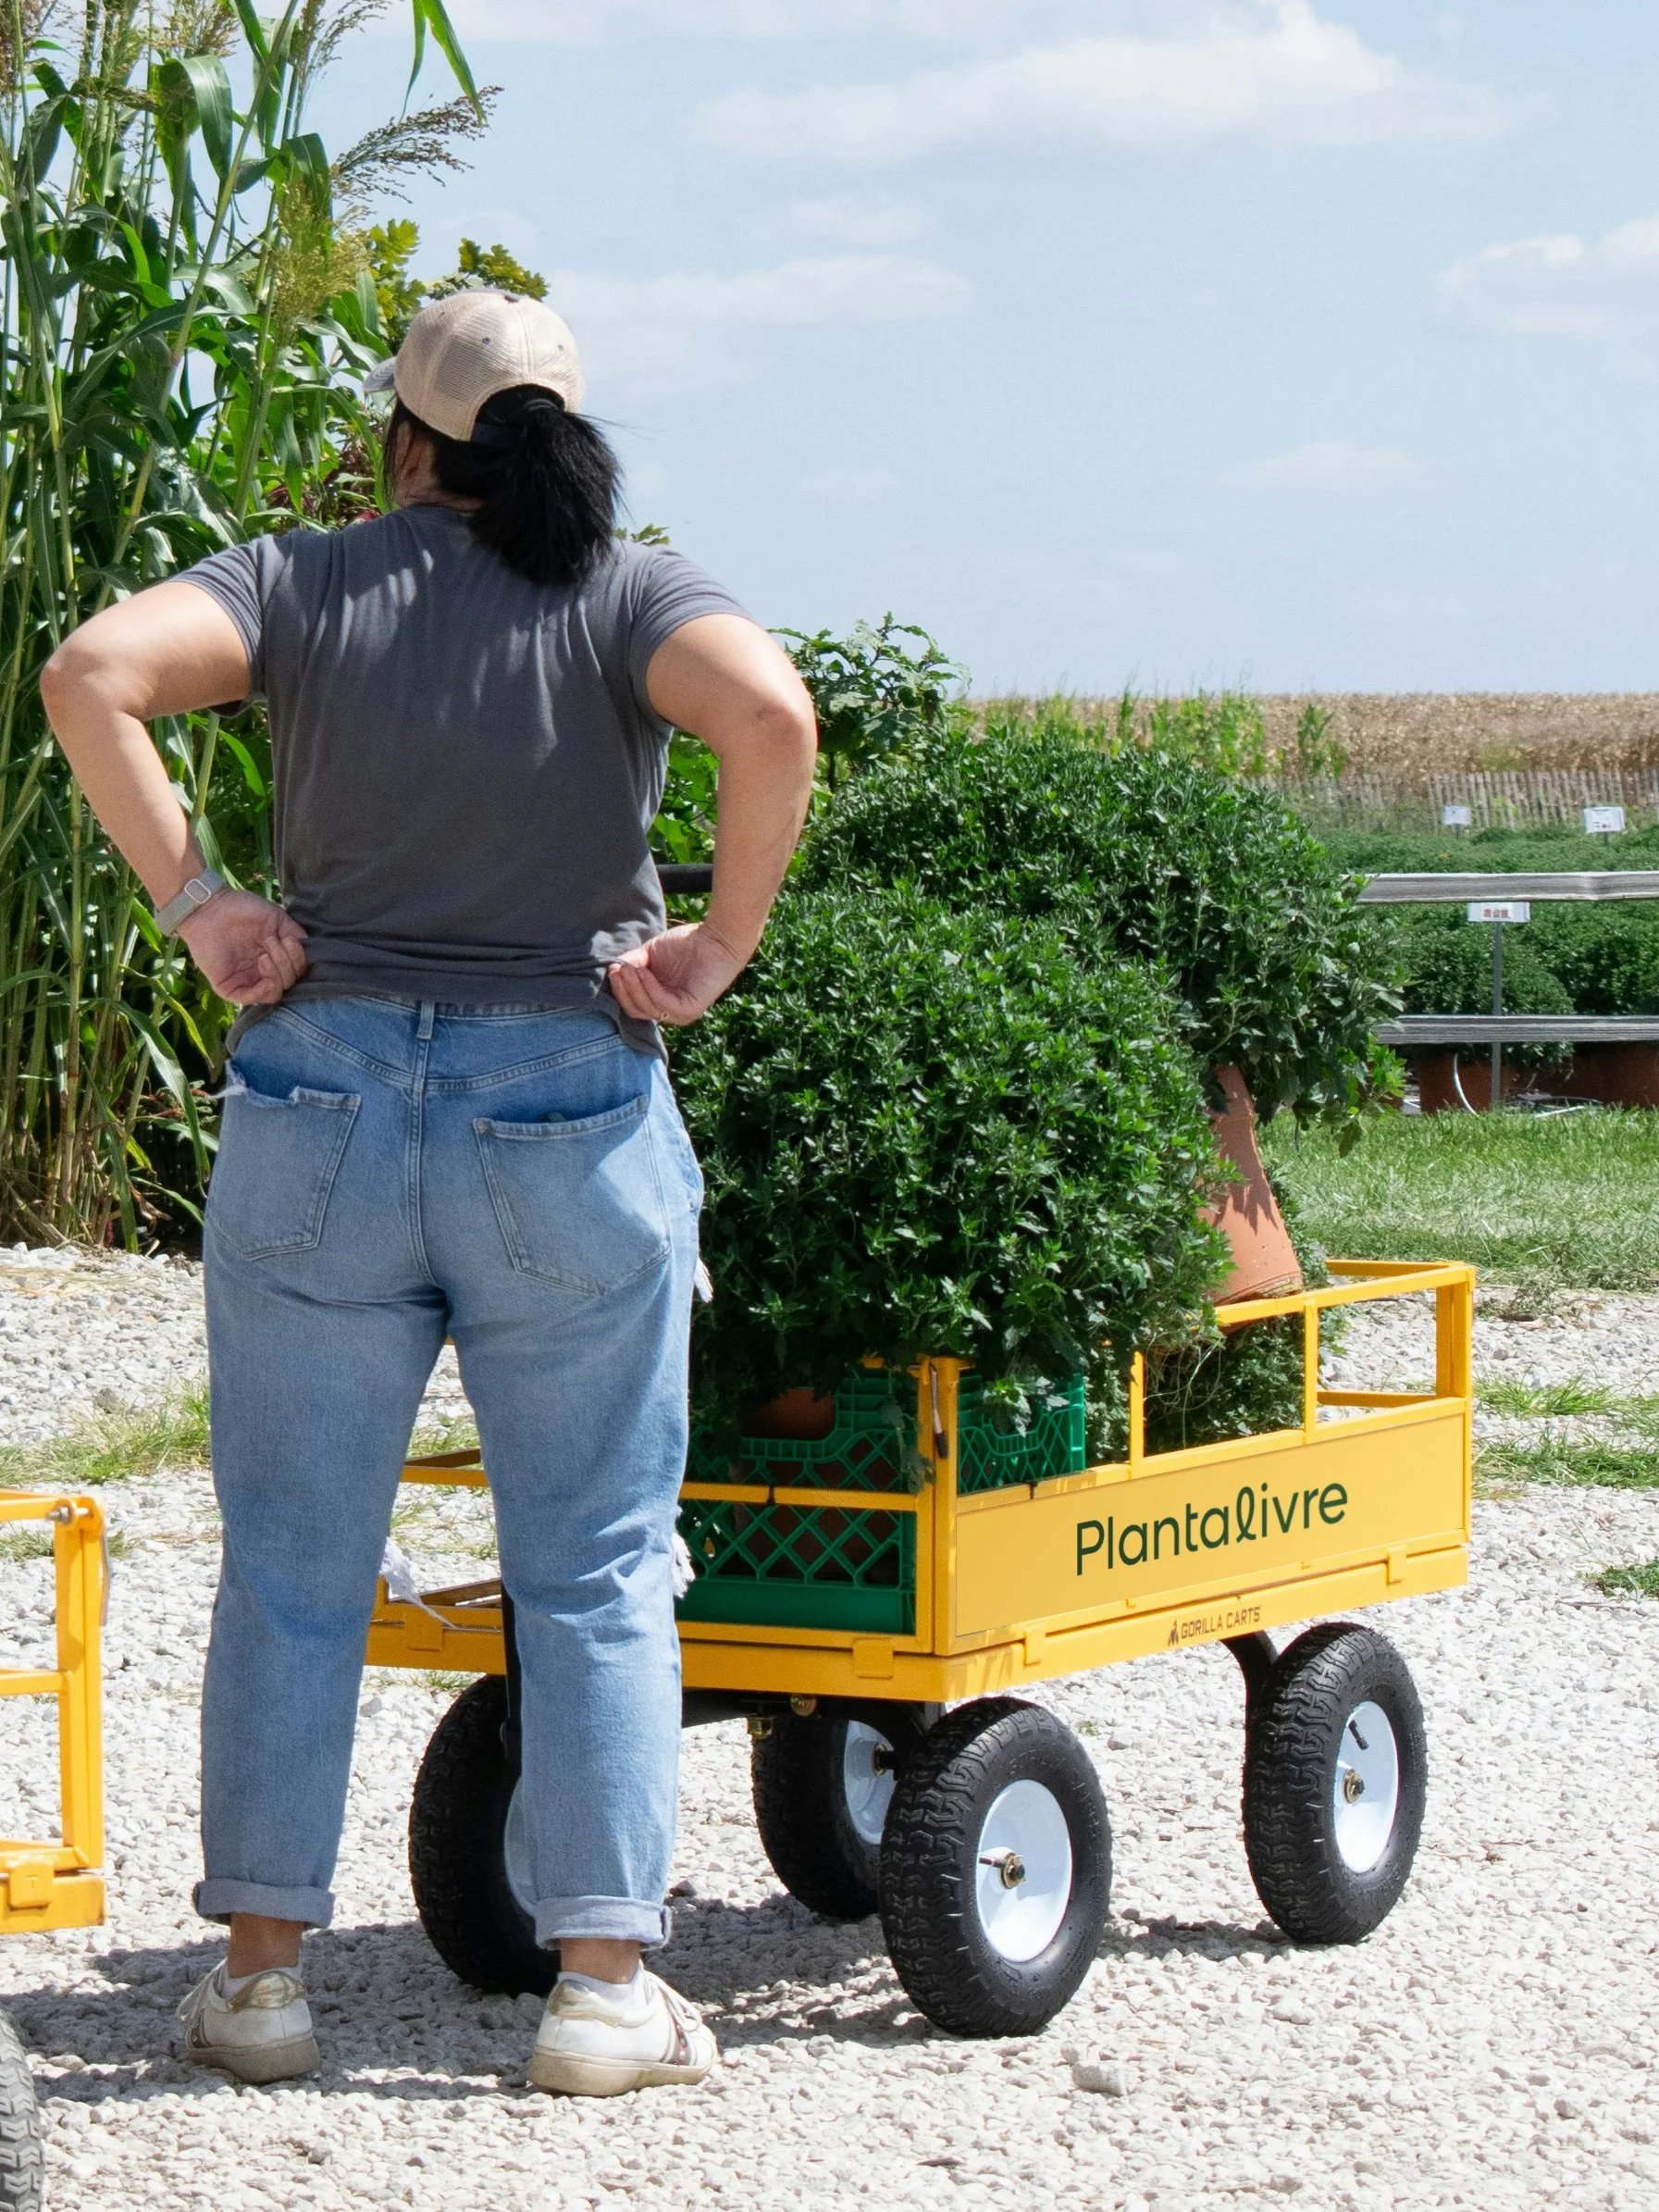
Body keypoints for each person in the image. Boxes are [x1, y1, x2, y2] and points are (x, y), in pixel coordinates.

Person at [41, 288, 817, 2096]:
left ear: (405, 438)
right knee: (600, 1563)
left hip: (319, 1104)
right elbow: (769, 718)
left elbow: (89, 670)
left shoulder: (298, 583)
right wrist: (714, 941)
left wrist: (199, 902)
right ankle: (604, 1992)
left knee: (297, 1566)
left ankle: (255, 1985)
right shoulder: (631, 593)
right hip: (565, 1111)